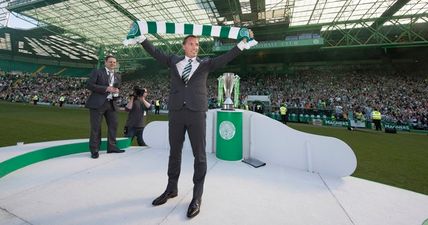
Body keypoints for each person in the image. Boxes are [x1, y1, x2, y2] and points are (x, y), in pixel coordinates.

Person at [136, 31, 255, 218]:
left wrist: (242, 43)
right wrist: (141, 38)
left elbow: (226, 57)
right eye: (191, 43)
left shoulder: (205, 63)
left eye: (197, 44)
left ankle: (197, 197)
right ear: (184, 46)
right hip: (176, 112)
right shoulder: (173, 60)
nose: (195, 47)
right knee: (174, 152)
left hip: (197, 113)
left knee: (199, 155)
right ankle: (171, 189)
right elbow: (155, 52)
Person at [85, 55, 125, 159]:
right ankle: (94, 150)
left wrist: (116, 91)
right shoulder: (97, 72)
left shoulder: (117, 75)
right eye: (111, 62)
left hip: (112, 103)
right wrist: (106, 88)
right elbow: (89, 85)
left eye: (114, 62)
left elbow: (117, 88)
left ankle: (111, 147)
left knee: (113, 125)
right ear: (105, 62)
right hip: (98, 103)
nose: (113, 64)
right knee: (96, 127)